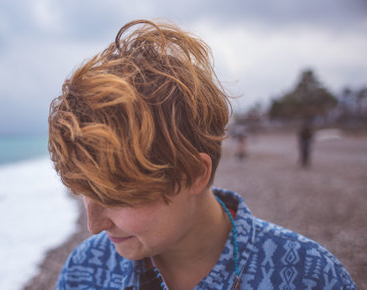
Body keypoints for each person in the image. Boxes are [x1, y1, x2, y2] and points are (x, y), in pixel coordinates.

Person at [48, 19, 355, 289]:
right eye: (85, 192)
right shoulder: (86, 272)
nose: (94, 225)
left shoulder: (310, 277)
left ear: (194, 173)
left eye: (115, 197)